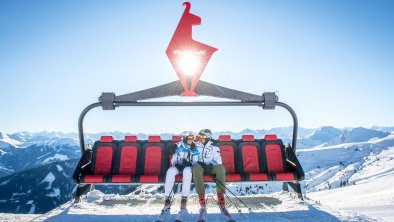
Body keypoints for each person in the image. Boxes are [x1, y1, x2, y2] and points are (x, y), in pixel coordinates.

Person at [192, 129, 227, 211]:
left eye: (201, 136)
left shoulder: (215, 147)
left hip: (211, 168)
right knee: (196, 168)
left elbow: (219, 161)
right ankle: (201, 195)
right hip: (200, 168)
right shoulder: (196, 146)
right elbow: (193, 159)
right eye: (199, 136)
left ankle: (220, 194)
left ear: (207, 137)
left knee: (221, 168)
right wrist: (200, 163)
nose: (199, 138)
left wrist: (211, 164)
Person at [163, 131, 195, 210]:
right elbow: (173, 160)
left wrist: (190, 163)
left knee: (187, 171)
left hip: (188, 167)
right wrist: (177, 164)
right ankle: (167, 198)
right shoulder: (177, 146)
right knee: (170, 171)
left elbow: (196, 160)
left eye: (192, 138)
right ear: (184, 138)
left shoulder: (194, 147)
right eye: (190, 138)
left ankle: (184, 198)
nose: (192, 140)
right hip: (179, 166)